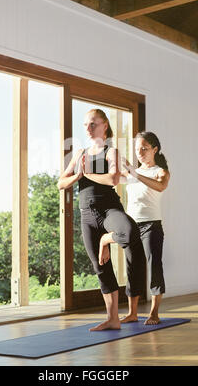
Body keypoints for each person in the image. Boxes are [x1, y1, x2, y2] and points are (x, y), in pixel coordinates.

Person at [57, 108, 145, 331]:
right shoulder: (79, 154)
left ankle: (105, 240)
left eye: (93, 123)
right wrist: (76, 175)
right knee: (100, 266)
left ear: (104, 125)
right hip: (86, 214)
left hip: (108, 210)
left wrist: (85, 174)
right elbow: (60, 183)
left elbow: (113, 178)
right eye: (86, 124)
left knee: (129, 231)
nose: (88, 128)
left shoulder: (111, 151)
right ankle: (113, 318)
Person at [119, 131, 170, 325]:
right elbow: (112, 178)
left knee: (154, 265)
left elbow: (160, 186)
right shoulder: (132, 173)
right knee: (133, 268)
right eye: (137, 149)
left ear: (154, 149)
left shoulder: (160, 171)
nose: (139, 152)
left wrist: (134, 172)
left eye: (144, 148)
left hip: (151, 226)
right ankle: (132, 313)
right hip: (131, 225)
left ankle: (154, 313)